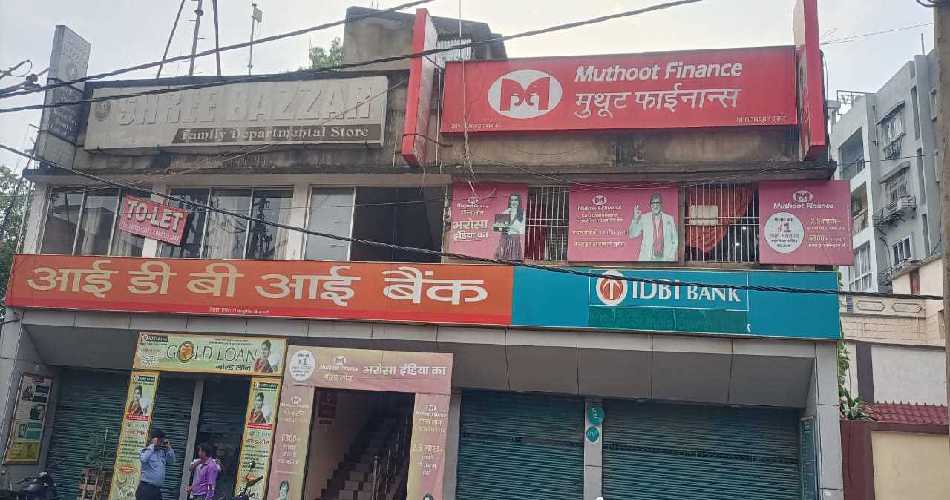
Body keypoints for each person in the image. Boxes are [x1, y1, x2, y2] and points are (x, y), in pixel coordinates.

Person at [628, 192, 678, 261]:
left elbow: (675, 240)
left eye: (657, 203)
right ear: (650, 205)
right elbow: (632, 235)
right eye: (653, 203)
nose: (655, 206)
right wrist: (635, 218)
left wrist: (671, 256)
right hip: (647, 258)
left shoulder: (669, 219)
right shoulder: (644, 218)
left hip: (665, 259)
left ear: (661, 204)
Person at [137, 429, 176, 500]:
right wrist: (153, 445)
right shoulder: (146, 450)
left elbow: (172, 461)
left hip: (157, 490)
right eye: (160, 440)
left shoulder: (162, 452)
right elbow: (143, 459)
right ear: (154, 440)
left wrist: (169, 448)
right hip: (146, 488)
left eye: (162, 440)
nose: (161, 443)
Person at [493, 193, 525, 260]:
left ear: (518, 202)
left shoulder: (522, 213)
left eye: (515, 200)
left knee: (513, 258)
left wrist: (511, 227)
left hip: (514, 240)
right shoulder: (506, 211)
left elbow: (522, 230)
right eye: (512, 200)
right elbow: (498, 226)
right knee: (502, 259)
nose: (513, 202)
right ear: (510, 201)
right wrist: (496, 225)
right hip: (504, 239)